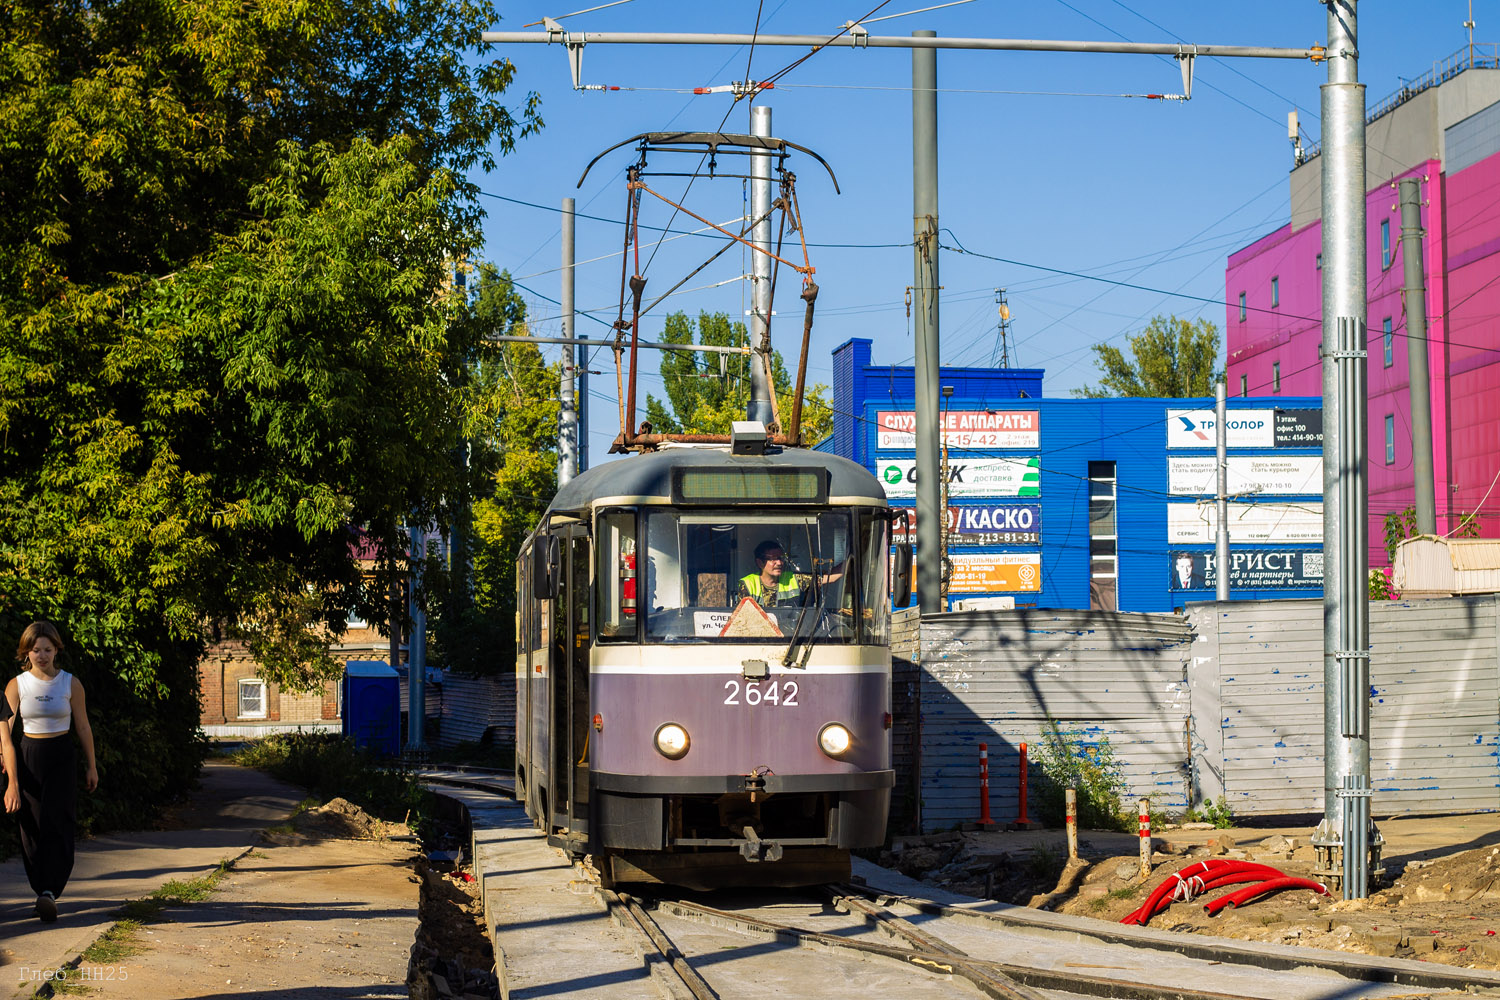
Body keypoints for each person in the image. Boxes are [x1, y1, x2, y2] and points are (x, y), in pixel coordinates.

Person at [4, 621, 98, 923]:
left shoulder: (71, 683)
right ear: (26, 653)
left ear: (56, 649)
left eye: (47, 649)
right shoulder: (17, 685)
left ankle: (49, 892)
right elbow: (6, 728)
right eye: (35, 650)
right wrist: (5, 764)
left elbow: (83, 726)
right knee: (31, 825)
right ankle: (40, 887)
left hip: (61, 756)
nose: (41, 655)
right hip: (28, 756)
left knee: (59, 821)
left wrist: (91, 765)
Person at [737, 540, 810, 609]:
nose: (779, 563)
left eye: (781, 558)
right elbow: (742, 618)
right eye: (773, 559)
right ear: (760, 562)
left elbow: (819, 580)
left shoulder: (794, 578)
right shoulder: (748, 584)